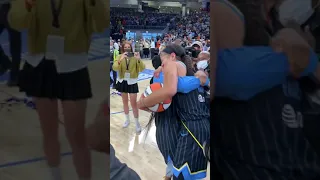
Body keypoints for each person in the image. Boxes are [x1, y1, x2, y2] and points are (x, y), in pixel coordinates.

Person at [211, 0, 320, 179]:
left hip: (298, 157)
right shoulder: (225, 11)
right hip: (256, 163)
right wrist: (304, 57)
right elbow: (228, 74)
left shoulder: (287, 24)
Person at [8, 0, 108, 180]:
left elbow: (101, 25)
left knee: (76, 135)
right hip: (40, 63)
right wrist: (28, 6)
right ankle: (56, 176)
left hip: (73, 64)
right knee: (49, 131)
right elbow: (16, 22)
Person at [138, 44, 210, 180]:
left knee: (177, 168)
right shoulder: (191, 80)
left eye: (163, 60)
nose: (162, 65)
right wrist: (201, 80)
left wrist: (141, 103)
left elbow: (174, 87)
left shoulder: (181, 80)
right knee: (174, 166)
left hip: (188, 130)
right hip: (173, 127)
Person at [112, 42, 145, 133]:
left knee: (133, 103)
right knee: (125, 102)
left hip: (132, 82)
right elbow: (114, 68)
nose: (127, 48)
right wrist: (120, 60)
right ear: (123, 48)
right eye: (125, 47)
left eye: (128, 47)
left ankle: (137, 123)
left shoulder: (135, 57)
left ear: (131, 48)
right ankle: (127, 120)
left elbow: (142, 68)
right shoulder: (119, 56)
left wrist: (139, 59)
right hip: (123, 81)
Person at [0, 1, 22, 86]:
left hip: (11, 8)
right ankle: (6, 63)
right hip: (5, 7)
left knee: (15, 45)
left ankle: (14, 76)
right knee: (15, 45)